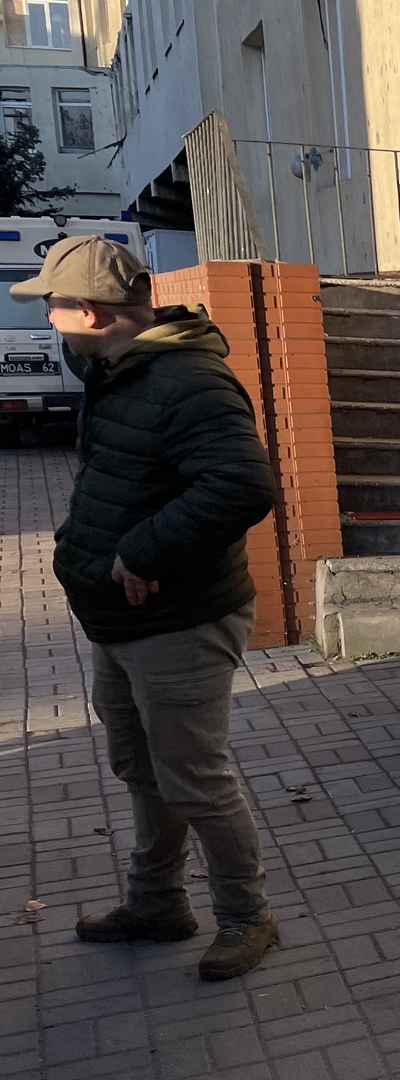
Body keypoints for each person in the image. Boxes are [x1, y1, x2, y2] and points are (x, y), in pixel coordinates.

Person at [18, 235, 282, 980]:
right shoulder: (116, 361)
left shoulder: (187, 382)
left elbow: (241, 486)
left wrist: (142, 552)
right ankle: (158, 902)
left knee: (195, 776)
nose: (47, 320)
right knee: (140, 764)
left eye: (53, 306)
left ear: (93, 313)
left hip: (179, 619)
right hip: (121, 619)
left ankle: (248, 917)